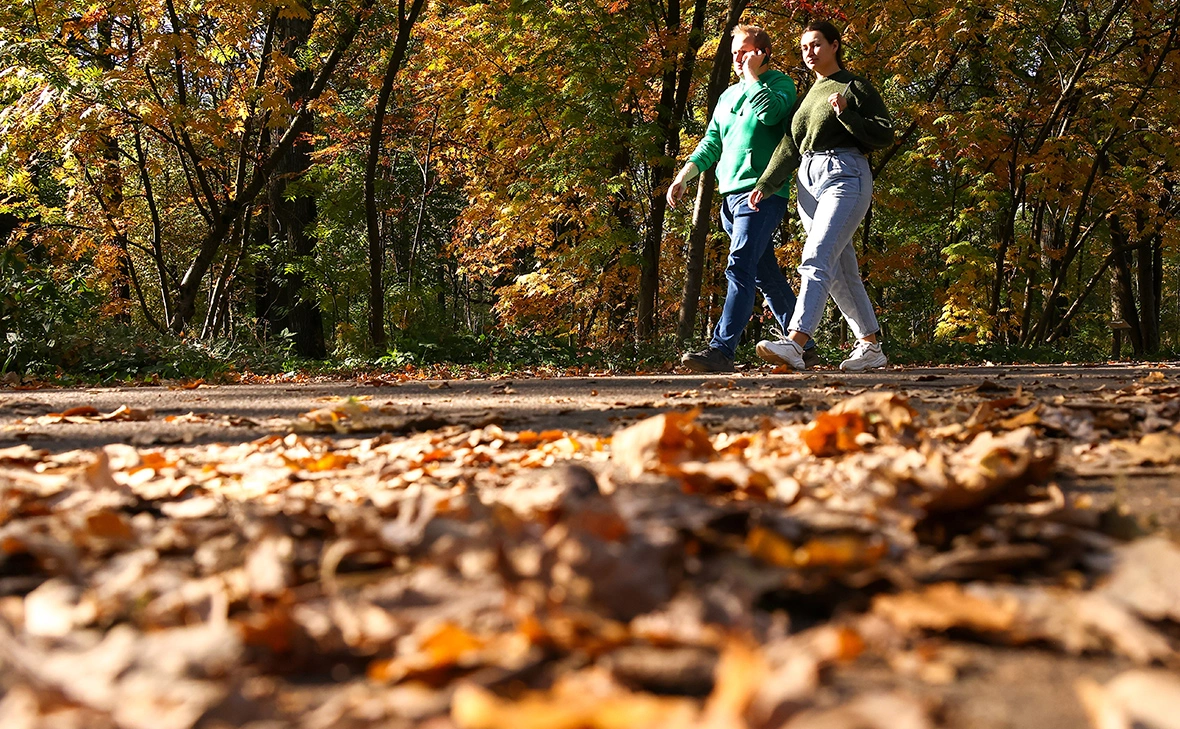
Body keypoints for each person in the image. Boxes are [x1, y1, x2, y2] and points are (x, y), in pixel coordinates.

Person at [667, 24, 819, 373]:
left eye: (744, 51)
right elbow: (712, 142)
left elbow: (770, 114)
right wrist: (684, 175)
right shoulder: (726, 97)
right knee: (766, 275)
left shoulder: (780, 85)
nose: (737, 58)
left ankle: (721, 350)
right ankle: (805, 346)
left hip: (761, 195)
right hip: (729, 198)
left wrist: (752, 77)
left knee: (739, 266)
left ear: (762, 52)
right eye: (734, 52)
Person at [748, 20, 894, 371]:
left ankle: (795, 342)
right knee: (842, 270)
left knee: (815, 256)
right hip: (808, 180)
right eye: (803, 48)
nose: (809, 52)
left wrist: (847, 115)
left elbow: (884, 133)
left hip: (845, 173)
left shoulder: (855, 86)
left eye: (815, 45)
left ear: (834, 45)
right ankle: (871, 347)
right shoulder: (808, 97)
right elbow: (790, 144)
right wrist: (766, 184)